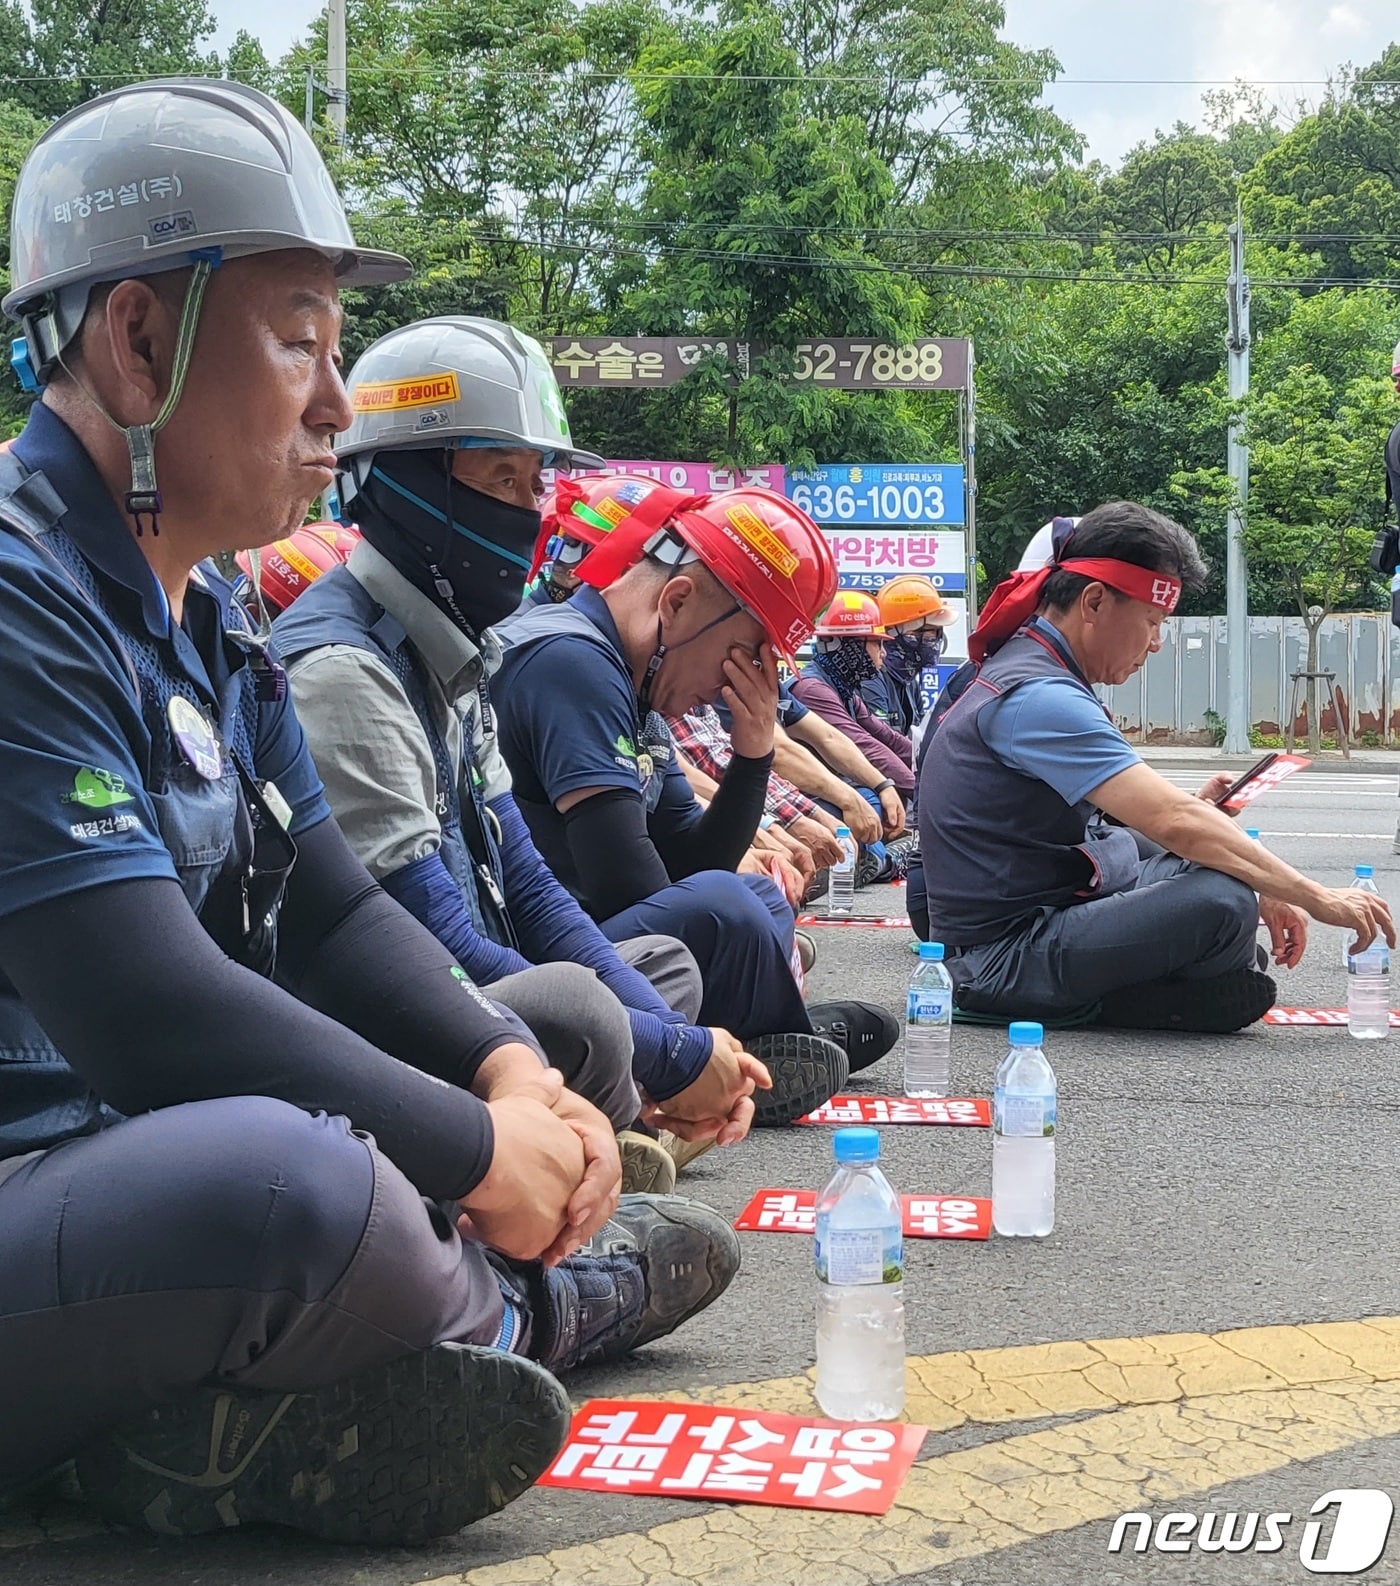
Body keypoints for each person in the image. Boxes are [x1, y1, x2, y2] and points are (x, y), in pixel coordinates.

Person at [0, 80, 738, 1545]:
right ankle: (524, 1302)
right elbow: (144, 1002)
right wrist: (472, 1157)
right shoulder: (22, 599)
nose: (338, 407)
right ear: (137, 342)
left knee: (504, 1047)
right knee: (293, 1182)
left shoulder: (206, 610)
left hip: (108, 1173)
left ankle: (207, 1426)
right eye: (298, 344)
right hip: (58, 1173)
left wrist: (506, 1069)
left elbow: (332, 901)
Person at [272, 316, 761, 1194]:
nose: (529, 512)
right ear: (405, 484)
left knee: (653, 970)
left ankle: (618, 1135)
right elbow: (431, 942)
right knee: (578, 1009)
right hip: (395, 1010)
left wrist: (676, 1043)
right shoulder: (347, 670)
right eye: (503, 478)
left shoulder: (454, 651)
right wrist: (673, 1049)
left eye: (536, 484)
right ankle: (608, 1152)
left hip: (484, 996)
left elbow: (530, 889)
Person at [492, 479, 900, 1101]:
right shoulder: (571, 660)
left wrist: (755, 748)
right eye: (742, 657)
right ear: (677, 602)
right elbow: (629, 884)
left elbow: (691, 851)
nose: (725, 689)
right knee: (725, 905)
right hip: (536, 952)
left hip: (598, 936)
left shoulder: (634, 677)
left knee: (752, 895)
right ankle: (767, 1049)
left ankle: (764, 1042)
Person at [919, 501, 1394, 1031]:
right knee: (1222, 900)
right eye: (1151, 620)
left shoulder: (1036, 670)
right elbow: (1173, 821)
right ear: (1094, 602)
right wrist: (1314, 895)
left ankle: (1180, 978)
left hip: (1048, 913)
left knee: (1219, 875)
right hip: (1001, 959)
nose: (1156, 643)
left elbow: (1147, 821)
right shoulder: (1038, 696)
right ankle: (1148, 993)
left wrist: (1259, 879)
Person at [790, 590, 915, 801]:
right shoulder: (813, 690)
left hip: (824, 793)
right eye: (877, 643)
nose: (883, 653)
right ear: (851, 646)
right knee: (872, 800)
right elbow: (865, 746)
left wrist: (935, 763)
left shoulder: (841, 688)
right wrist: (923, 793)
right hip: (805, 799)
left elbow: (888, 739)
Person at [862, 575, 957, 738]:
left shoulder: (907, 680)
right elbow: (884, 746)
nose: (930, 640)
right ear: (891, 632)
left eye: (934, 633)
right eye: (922, 632)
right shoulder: (871, 678)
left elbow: (920, 738)